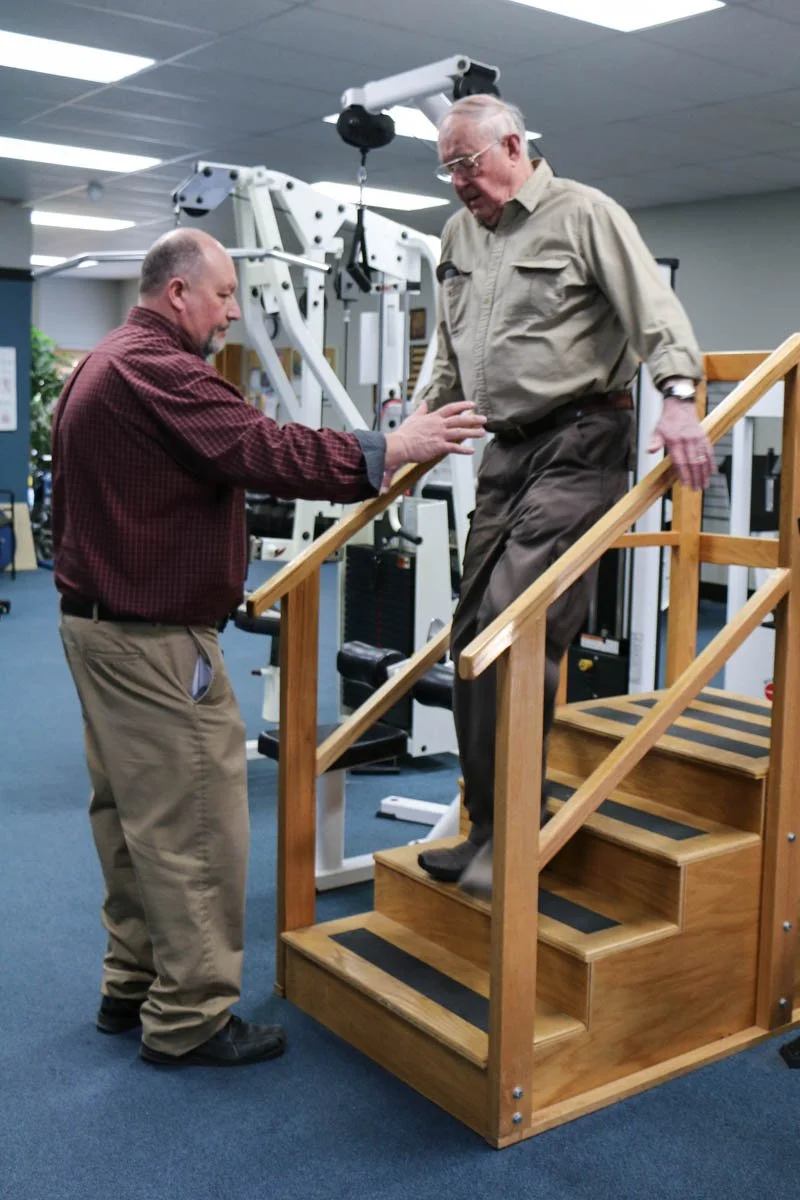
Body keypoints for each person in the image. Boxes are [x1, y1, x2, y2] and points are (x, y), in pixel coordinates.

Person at [52, 227, 485, 1067]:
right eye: (222, 297)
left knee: (132, 820)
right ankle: (188, 1020)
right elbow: (263, 447)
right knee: (198, 832)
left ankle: (132, 982)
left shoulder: (105, 361)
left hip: (99, 627)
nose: (230, 316)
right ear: (178, 292)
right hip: (152, 643)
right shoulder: (158, 369)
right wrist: (392, 448)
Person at [415, 94, 714, 892]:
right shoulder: (456, 235)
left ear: (512, 146)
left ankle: (518, 836)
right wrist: (420, 423)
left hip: (581, 441)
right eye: (445, 168)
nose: (456, 183)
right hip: (503, 455)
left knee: (517, 628)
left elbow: (655, 311)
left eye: (466, 163)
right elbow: (450, 346)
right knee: (470, 639)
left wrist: (679, 396)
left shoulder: (586, 215)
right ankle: (485, 823)